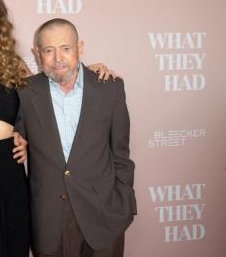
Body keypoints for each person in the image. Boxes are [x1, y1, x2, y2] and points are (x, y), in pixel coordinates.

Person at [0, 0, 116, 257]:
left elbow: (51, 93)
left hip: (10, 177)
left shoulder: (14, 66)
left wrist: (87, 72)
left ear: (1, 26)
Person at [17, 18, 137, 257]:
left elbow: (121, 154)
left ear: (79, 48)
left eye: (66, 48)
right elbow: (6, 139)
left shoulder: (109, 88)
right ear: (37, 54)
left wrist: (123, 204)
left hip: (104, 217)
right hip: (50, 221)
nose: (58, 58)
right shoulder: (24, 93)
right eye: (49, 50)